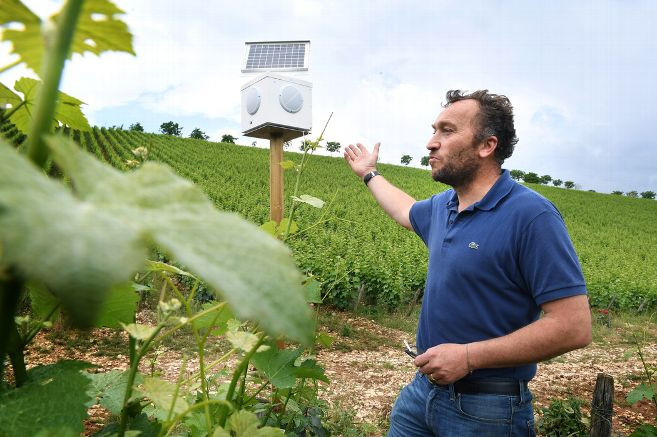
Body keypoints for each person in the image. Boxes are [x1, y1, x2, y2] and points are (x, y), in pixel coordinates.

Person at [343, 90, 592, 436]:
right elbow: (404, 210)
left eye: (447, 131)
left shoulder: (531, 216)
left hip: (487, 411)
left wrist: (469, 357)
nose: (431, 143)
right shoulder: (444, 206)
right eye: (434, 130)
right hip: (421, 396)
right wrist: (369, 174)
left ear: (486, 146)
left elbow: (573, 326)